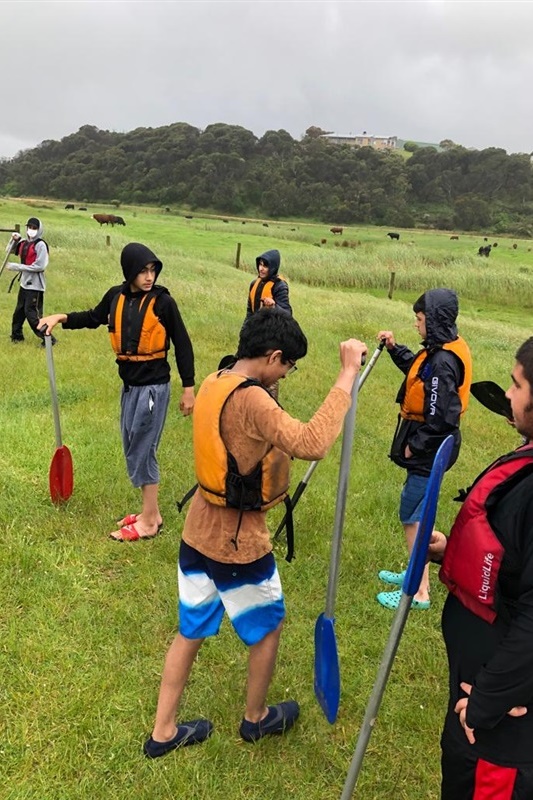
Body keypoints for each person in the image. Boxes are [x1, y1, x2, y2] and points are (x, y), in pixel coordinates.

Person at [143, 307, 367, 758]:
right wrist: (346, 375)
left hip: (196, 534)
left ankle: (162, 732)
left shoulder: (218, 378)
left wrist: (272, 383)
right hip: (236, 542)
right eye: (287, 364)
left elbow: (251, 428)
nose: (286, 373)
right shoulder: (253, 400)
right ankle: (256, 718)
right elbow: (311, 443)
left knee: (191, 629)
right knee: (267, 627)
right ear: (274, 356)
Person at [429, 337, 533, 799]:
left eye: (516, 385)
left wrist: (488, 700)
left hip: (501, 731)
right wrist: (458, 552)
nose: (508, 396)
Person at [38, 242, 195, 541]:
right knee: (131, 446)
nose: (149, 277)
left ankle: (149, 523)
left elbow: (183, 344)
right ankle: (152, 513)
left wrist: (189, 389)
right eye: (142, 271)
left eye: (153, 270)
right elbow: (93, 317)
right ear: (129, 272)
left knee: (142, 450)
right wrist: (61, 317)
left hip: (153, 388)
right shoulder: (115, 296)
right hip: (130, 387)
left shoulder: (163, 303)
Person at [376, 288, 472, 610]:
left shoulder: (444, 362)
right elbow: (420, 374)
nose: (416, 325)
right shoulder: (439, 352)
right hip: (429, 448)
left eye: (419, 319)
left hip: (429, 449)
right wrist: (393, 348)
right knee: (420, 512)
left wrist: (413, 448)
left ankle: (419, 591)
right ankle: (414, 574)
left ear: (433, 321)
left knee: (412, 515)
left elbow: (442, 418)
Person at [6, 217, 53, 346]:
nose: (31, 230)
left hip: (35, 286)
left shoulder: (40, 245)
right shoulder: (24, 243)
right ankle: (17, 337)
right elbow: (8, 251)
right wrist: (13, 240)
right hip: (24, 284)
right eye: (29, 227)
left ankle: (48, 339)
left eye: (34, 228)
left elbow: (40, 266)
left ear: (39, 230)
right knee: (19, 312)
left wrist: (17, 267)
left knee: (31, 314)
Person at [246, 249, 291, 318]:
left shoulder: (279, 286)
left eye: (265, 266)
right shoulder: (254, 284)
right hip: (256, 326)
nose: (261, 269)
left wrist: (274, 306)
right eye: (260, 264)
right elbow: (249, 314)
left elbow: (287, 315)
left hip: (272, 327)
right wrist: (245, 329)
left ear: (273, 268)